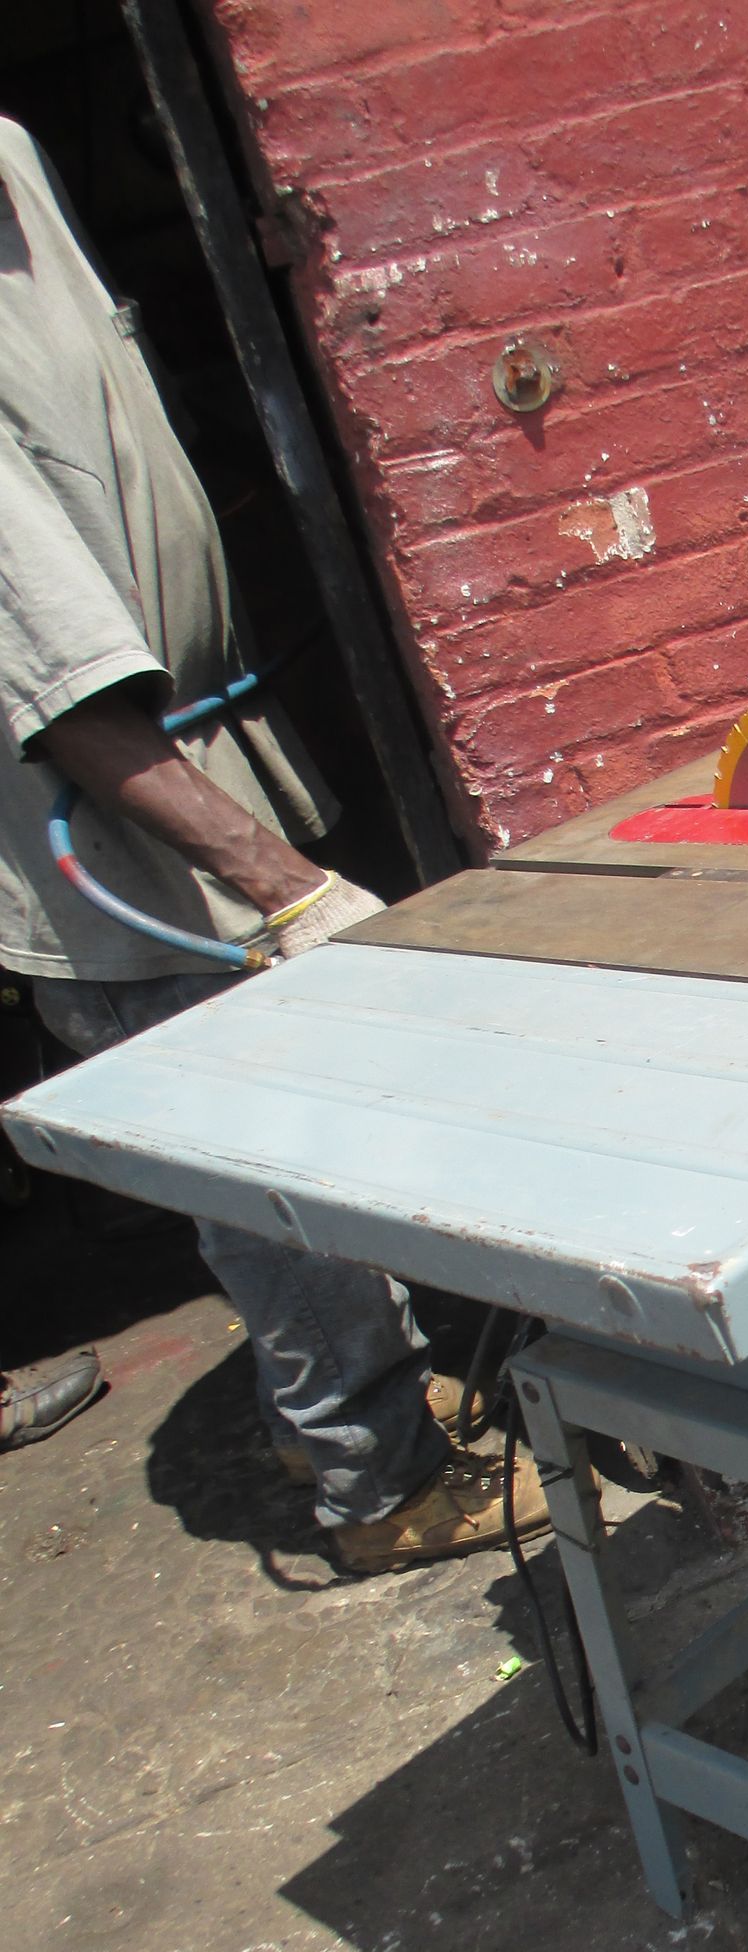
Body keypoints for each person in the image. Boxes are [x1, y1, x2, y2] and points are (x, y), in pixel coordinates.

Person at [0, 116, 545, 1570]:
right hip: (116, 845)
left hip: (199, 752)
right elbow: (60, 696)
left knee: (333, 1145)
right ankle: (377, 1491)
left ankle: (385, 1399)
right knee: (270, 1187)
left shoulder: (12, 166)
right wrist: (287, 889)